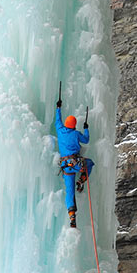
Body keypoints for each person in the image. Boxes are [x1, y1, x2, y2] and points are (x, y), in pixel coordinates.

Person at [55, 98, 94, 228]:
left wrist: (58, 107)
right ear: (74, 125)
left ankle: (72, 215)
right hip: (76, 163)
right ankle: (81, 180)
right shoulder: (76, 134)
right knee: (89, 164)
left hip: (65, 166)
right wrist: (86, 128)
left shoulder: (60, 130)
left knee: (69, 191)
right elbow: (87, 140)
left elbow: (57, 121)